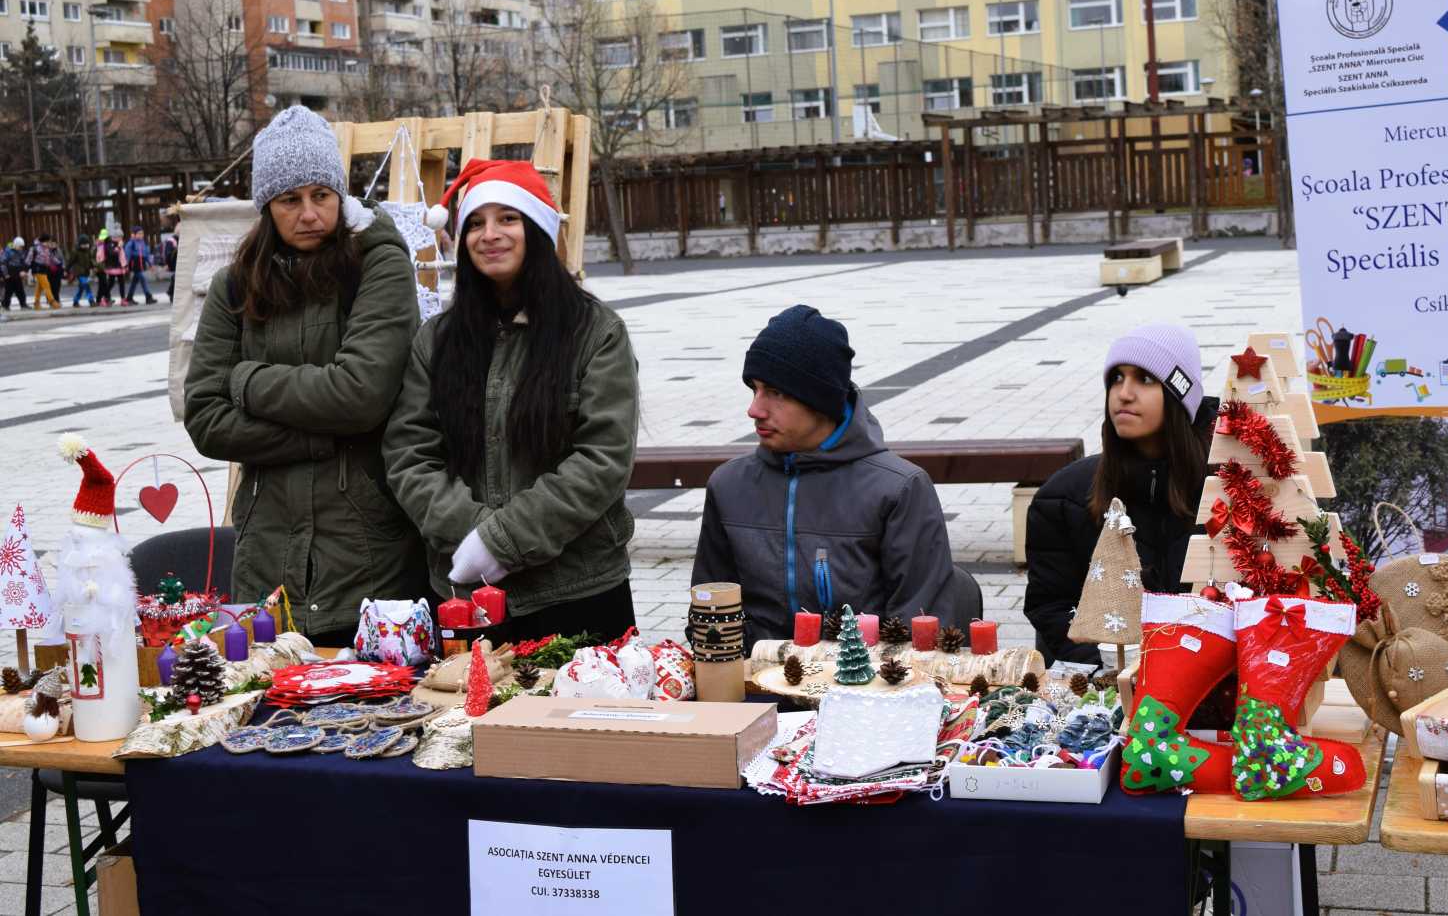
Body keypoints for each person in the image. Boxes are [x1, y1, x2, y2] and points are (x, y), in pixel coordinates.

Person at [184, 105, 424, 649]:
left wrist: (245, 381)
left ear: (341, 196)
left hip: (366, 551)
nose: (309, 212)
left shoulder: (377, 265)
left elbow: (360, 394)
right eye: (291, 199)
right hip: (266, 554)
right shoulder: (232, 287)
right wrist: (324, 434)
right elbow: (205, 419)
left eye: (322, 195)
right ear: (267, 206)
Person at [385, 159, 641, 642]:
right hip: (465, 595)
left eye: (508, 218)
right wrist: (473, 533)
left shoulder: (595, 333)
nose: (490, 235)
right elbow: (409, 455)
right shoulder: (437, 341)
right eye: (476, 223)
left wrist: (501, 540)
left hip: (576, 591)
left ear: (537, 230)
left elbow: (601, 460)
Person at [691, 305, 979, 645]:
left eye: (776, 392)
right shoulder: (729, 485)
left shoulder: (899, 488)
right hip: (751, 685)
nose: (754, 409)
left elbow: (918, 630)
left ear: (820, 400)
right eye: (754, 389)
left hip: (863, 686)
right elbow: (710, 613)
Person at [1023, 324, 1218, 666]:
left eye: (1144, 379)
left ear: (1179, 394)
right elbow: (1051, 606)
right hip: (1105, 691)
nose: (1123, 393)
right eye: (1116, 378)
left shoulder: (1230, 492)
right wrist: (1121, 667)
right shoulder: (1062, 497)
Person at [123, 225, 157, 305]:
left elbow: (146, 254)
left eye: (142, 233)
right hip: (135, 264)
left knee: (135, 281)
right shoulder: (131, 243)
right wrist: (126, 265)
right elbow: (127, 255)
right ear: (133, 235)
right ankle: (148, 297)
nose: (141, 235)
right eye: (139, 233)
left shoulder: (143, 243)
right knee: (142, 279)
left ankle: (129, 298)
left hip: (141, 263)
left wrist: (150, 264)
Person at [29, 234, 62, 310]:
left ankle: (36, 303)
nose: (49, 243)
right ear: (43, 241)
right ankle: (52, 301)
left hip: (44, 269)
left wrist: (59, 263)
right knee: (47, 285)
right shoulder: (36, 248)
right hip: (38, 269)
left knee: (39, 287)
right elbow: (29, 259)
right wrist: (25, 269)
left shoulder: (47, 249)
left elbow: (51, 257)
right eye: (48, 242)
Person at [67, 234, 95, 307]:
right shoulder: (75, 251)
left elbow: (90, 260)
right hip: (79, 272)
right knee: (86, 285)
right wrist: (66, 269)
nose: (86, 246)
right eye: (84, 244)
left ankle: (75, 301)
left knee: (81, 288)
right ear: (80, 244)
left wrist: (93, 266)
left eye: (87, 244)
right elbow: (71, 261)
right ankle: (91, 300)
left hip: (86, 272)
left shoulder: (88, 251)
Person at [0, 239, 28, 311]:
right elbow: (3, 264)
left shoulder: (20, 252)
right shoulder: (8, 252)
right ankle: (5, 306)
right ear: (16, 245)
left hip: (17, 273)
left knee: (20, 290)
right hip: (9, 273)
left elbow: (23, 262)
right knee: (8, 291)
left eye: (22, 247)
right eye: (20, 246)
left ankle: (23, 304)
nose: (21, 248)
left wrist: (23, 271)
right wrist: (5, 274)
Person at [162, 229, 179, 302]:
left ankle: (171, 292)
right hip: (174, 262)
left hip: (176, 262)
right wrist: (167, 264)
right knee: (175, 277)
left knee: (175, 277)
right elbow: (168, 254)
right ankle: (171, 293)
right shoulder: (171, 241)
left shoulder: (177, 240)